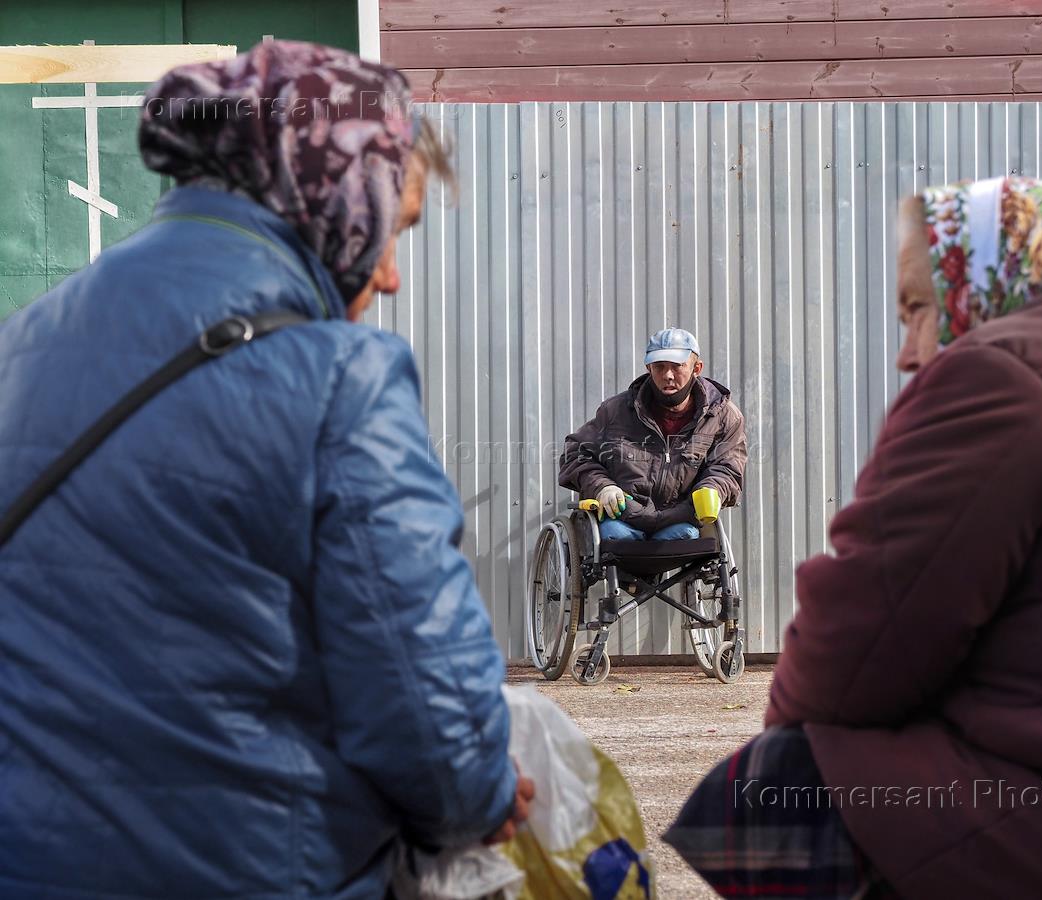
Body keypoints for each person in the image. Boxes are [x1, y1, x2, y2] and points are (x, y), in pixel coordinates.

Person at [0, 42, 532, 899]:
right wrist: (487, 796)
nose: (390, 277)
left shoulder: (22, 344)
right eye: (394, 229)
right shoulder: (338, 378)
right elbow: (431, 722)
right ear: (333, 192)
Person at [668, 176, 1042, 899]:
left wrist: (789, 741)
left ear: (982, 279)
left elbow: (855, 653)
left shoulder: (1001, 374)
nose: (909, 351)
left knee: (772, 788)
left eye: (919, 307)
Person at [558, 328, 747, 541]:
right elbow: (576, 453)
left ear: (697, 368)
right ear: (649, 367)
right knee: (614, 537)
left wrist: (712, 487)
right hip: (624, 517)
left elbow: (727, 466)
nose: (668, 375)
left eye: (677, 366)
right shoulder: (615, 411)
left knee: (688, 537)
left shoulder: (722, 416)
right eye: (659, 366)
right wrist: (603, 486)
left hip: (680, 519)